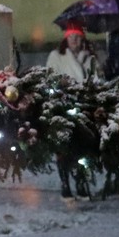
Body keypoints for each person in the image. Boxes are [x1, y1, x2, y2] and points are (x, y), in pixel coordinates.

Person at [46, 24, 99, 200]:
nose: (74, 40)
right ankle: (65, 185)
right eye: (71, 37)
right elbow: (50, 79)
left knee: (84, 149)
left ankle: (82, 184)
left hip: (85, 109)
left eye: (77, 37)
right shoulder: (57, 57)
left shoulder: (89, 57)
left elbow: (98, 79)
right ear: (66, 39)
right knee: (65, 148)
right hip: (65, 108)